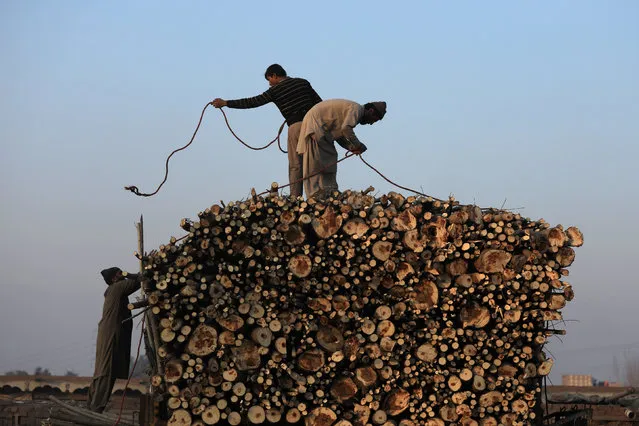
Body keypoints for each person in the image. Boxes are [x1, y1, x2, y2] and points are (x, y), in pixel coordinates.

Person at [211, 64, 322, 198]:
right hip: (314, 126)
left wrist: (226, 103)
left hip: (296, 127)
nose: (269, 84)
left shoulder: (275, 91)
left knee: (296, 165)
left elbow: (252, 102)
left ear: (274, 75)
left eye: (269, 79)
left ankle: (295, 198)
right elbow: (320, 105)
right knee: (316, 161)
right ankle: (318, 195)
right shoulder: (303, 83)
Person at [297, 99, 386, 198]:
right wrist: (358, 145)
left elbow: (339, 135)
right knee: (314, 164)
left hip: (323, 130)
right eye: (374, 119)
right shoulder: (357, 109)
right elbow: (346, 129)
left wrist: (351, 147)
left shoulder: (354, 111)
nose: (371, 123)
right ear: (371, 111)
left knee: (330, 158)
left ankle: (330, 192)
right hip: (315, 125)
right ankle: (313, 196)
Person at [87, 267, 141, 413]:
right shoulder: (117, 287)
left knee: (101, 371)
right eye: (119, 273)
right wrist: (130, 273)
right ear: (114, 279)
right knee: (106, 371)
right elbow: (139, 280)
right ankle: (95, 410)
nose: (122, 274)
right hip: (110, 334)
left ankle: (91, 407)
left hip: (106, 333)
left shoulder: (114, 289)